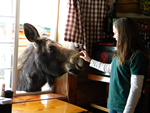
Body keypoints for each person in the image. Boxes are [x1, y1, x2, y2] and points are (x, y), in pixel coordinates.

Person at [80, 17, 149, 113]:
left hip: (127, 108)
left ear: (124, 33)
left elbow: (136, 88)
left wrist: (128, 111)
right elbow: (110, 68)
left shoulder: (137, 56)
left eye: (115, 33)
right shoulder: (119, 54)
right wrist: (90, 60)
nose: (114, 36)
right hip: (113, 105)